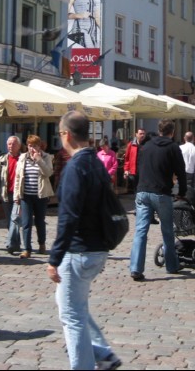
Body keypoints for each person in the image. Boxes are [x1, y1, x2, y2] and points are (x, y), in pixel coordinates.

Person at [47, 111, 121, 371]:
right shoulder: (95, 162)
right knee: (71, 305)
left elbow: (68, 217)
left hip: (79, 251)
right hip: (98, 249)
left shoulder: (75, 167)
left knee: (71, 316)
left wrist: (54, 258)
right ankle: (101, 353)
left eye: (59, 133)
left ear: (66, 134)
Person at [129, 119, 186, 281]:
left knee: (140, 231)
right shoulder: (173, 147)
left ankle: (135, 268)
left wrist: (138, 189)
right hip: (161, 193)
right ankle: (171, 265)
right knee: (167, 230)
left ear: (159, 130)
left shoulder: (146, 146)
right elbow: (181, 172)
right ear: (172, 132)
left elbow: (139, 168)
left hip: (142, 191)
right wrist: (182, 192)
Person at [14, 135, 54, 258]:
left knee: (39, 221)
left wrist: (39, 160)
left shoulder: (47, 157)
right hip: (26, 195)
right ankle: (27, 249)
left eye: (35, 146)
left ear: (39, 146)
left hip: (40, 195)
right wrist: (16, 195)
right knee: (26, 223)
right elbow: (18, 177)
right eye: (30, 146)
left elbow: (48, 173)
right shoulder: (22, 158)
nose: (32, 148)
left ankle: (41, 244)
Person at [0, 136, 22, 254]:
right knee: (10, 220)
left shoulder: (23, 159)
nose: (10, 146)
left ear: (19, 146)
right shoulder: (2, 159)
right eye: (9, 144)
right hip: (6, 193)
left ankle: (10, 244)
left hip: (18, 194)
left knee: (14, 219)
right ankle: (16, 244)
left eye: (13, 144)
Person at [123, 128, 146, 192]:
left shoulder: (147, 144)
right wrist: (126, 170)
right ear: (136, 134)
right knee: (136, 189)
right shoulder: (131, 144)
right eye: (140, 134)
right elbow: (127, 158)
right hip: (134, 171)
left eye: (143, 134)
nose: (142, 135)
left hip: (144, 171)